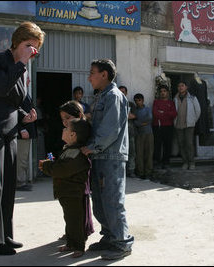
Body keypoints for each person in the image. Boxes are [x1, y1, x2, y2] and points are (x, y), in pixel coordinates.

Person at [0, 21, 45, 255]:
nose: (32, 52)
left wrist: (25, 115)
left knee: (9, 185)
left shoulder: (21, 70)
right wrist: (21, 62)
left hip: (9, 130)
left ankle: (5, 235)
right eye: (29, 46)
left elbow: (12, 102)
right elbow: (0, 88)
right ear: (17, 43)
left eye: (35, 49)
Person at [81, 59, 134, 260]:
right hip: (99, 155)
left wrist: (92, 147)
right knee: (101, 201)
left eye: (92, 72)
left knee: (112, 200)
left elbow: (110, 129)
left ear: (104, 74)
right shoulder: (101, 97)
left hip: (110, 156)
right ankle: (110, 237)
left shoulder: (113, 96)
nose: (89, 77)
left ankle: (122, 243)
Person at [39, 118, 94, 258]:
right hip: (66, 192)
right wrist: (51, 164)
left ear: (72, 135)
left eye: (66, 128)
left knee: (75, 220)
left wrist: (46, 166)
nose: (63, 129)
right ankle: (71, 243)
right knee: (69, 219)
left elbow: (62, 170)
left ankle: (79, 246)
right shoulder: (69, 149)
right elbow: (61, 166)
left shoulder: (77, 153)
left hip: (73, 193)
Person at [57, 100, 86, 241]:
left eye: (68, 118)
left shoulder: (82, 139)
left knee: (78, 210)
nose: (65, 122)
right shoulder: (71, 137)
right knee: (70, 212)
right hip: (69, 186)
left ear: (79, 115)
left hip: (77, 184)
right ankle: (72, 234)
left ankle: (78, 237)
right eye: (63, 119)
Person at [174, 81, 201, 170]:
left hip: (189, 125)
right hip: (178, 125)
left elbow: (198, 111)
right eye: (179, 86)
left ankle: (191, 162)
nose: (180, 87)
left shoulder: (192, 98)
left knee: (189, 144)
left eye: (182, 86)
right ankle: (185, 162)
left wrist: (192, 121)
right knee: (181, 144)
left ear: (186, 87)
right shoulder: (175, 98)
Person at [152, 85, 177, 169]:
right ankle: (157, 162)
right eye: (161, 91)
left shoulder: (171, 103)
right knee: (157, 145)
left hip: (168, 126)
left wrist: (163, 112)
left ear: (167, 92)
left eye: (164, 91)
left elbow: (174, 114)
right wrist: (166, 113)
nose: (163, 93)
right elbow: (155, 114)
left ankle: (166, 162)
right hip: (157, 126)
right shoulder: (156, 102)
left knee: (167, 145)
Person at [16, 94, 38, 191]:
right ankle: (20, 182)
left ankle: (22, 181)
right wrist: (21, 129)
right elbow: (14, 113)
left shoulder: (25, 94)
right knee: (21, 160)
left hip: (28, 131)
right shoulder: (17, 94)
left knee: (23, 158)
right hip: (22, 132)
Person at [133, 93, 154, 178]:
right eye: (136, 101)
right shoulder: (135, 111)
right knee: (139, 154)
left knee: (149, 153)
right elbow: (135, 123)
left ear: (143, 100)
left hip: (149, 133)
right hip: (139, 134)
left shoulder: (147, 109)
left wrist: (139, 123)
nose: (138, 102)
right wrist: (143, 123)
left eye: (139, 100)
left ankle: (148, 172)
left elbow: (149, 118)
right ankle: (140, 172)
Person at [119, 85, 137, 177]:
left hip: (130, 132)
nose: (122, 93)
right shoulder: (115, 103)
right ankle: (122, 172)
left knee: (132, 152)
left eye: (123, 92)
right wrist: (126, 115)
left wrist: (122, 115)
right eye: (120, 91)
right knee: (120, 153)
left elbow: (133, 116)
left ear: (126, 93)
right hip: (118, 134)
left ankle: (131, 171)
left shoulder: (131, 104)